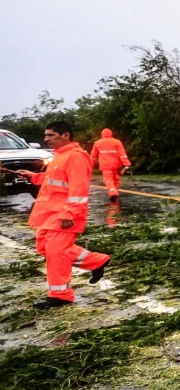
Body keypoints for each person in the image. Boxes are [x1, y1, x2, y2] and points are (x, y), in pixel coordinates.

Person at [15, 121, 111, 309]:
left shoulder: (76, 157)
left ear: (65, 135)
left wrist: (69, 213)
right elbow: (54, 180)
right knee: (44, 246)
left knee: (57, 251)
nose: (46, 139)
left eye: (50, 135)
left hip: (65, 214)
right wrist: (32, 176)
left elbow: (78, 189)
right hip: (51, 213)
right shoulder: (59, 156)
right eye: (46, 135)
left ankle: (61, 295)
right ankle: (96, 261)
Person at [90, 128, 132, 202]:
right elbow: (122, 155)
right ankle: (114, 191)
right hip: (116, 165)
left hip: (105, 165)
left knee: (108, 179)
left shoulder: (97, 143)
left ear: (102, 134)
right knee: (116, 179)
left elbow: (93, 157)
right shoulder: (117, 142)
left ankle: (112, 191)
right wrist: (127, 164)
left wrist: (90, 166)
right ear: (111, 134)